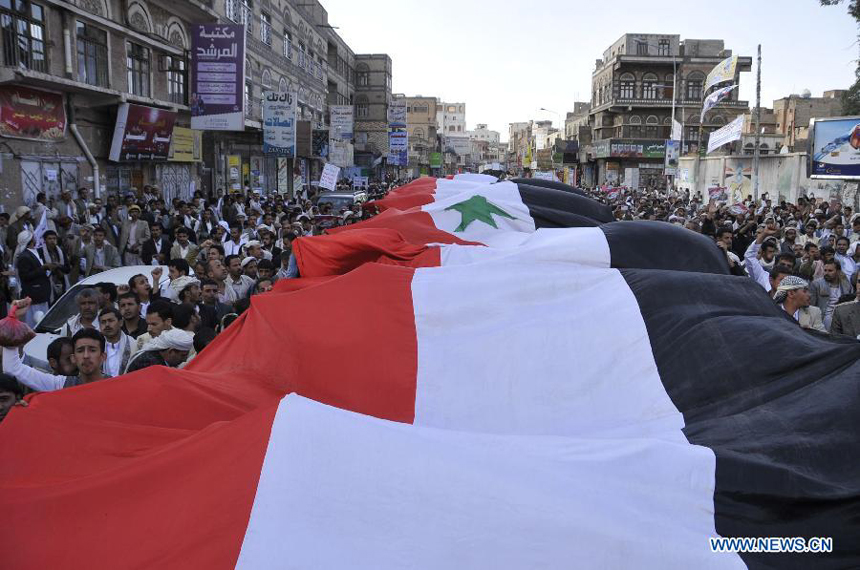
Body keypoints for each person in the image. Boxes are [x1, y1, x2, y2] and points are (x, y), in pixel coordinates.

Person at [3, 300, 108, 390]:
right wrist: (13, 319)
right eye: (80, 350)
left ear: (103, 357)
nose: (86, 356)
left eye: (92, 350)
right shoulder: (61, 384)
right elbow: (13, 368)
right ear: (73, 358)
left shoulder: (117, 384)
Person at [14, 231, 51, 327]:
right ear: (30, 240)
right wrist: (42, 268)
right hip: (34, 295)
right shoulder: (24, 256)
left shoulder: (34, 252)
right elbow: (25, 276)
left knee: (42, 320)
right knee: (33, 323)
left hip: (40, 294)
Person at [125, 328, 194, 373]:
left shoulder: (156, 357)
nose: (184, 360)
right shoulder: (151, 364)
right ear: (171, 351)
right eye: (183, 355)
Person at [810, 259, 853, 329]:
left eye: (830, 271)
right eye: (825, 270)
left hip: (842, 316)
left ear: (838, 272)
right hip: (824, 317)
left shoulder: (846, 285)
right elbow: (812, 305)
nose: (826, 273)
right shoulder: (816, 284)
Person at [98, 307, 134, 377]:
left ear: (121, 323)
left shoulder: (135, 345)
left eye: (110, 320)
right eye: (103, 322)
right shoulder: (96, 348)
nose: (107, 325)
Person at [39, 230, 70, 304]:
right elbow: (40, 268)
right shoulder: (40, 252)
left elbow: (67, 269)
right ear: (45, 240)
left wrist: (58, 266)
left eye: (54, 238)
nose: (52, 241)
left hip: (61, 283)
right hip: (48, 283)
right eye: (49, 239)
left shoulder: (61, 251)